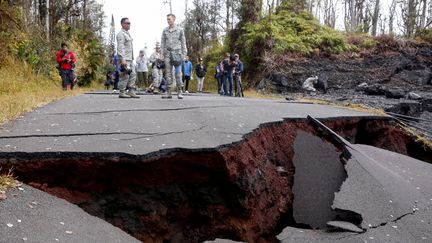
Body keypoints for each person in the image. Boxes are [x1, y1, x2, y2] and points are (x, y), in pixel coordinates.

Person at [160, 13, 187, 99]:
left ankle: (180, 92)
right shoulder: (165, 30)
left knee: (178, 73)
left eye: (169, 19)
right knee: (168, 74)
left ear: (174, 19)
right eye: (167, 19)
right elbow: (162, 43)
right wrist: (162, 54)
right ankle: (169, 92)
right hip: (167, 54)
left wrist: (184, 54)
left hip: (177, 54)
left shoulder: (180, 30)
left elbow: (183, 42)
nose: (168, 21)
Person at [116, 17, 139, 98]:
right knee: (125, 75)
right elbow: (120, 47)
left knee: (133, 74)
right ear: (122, 24)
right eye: (127, 23)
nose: (129, 25)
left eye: (130, 23)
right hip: (125, 59)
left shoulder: (127, 33)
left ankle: (131, 91)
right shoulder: (121, 34)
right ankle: (122, 92)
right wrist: (122, 59)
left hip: (130, 58)